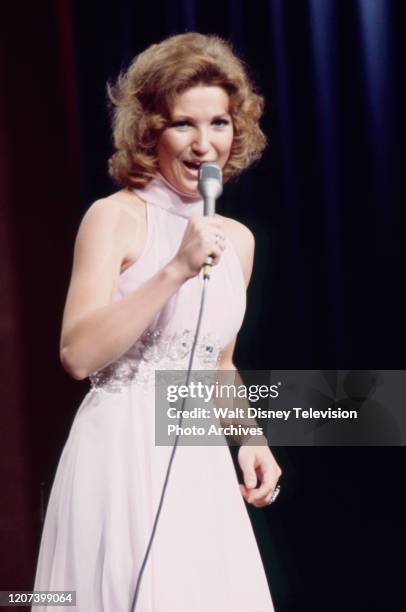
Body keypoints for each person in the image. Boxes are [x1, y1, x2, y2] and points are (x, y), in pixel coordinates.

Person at [33, 32, 282, 611]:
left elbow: (217, 361)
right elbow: (77, 355)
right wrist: (174, 269)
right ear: (150, 131)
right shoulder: (114, 218)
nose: (203, 145)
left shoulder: (238, 241)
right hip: (121, 456)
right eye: (182, 125)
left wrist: (250, 438)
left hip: (197, 458)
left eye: (218, 123)